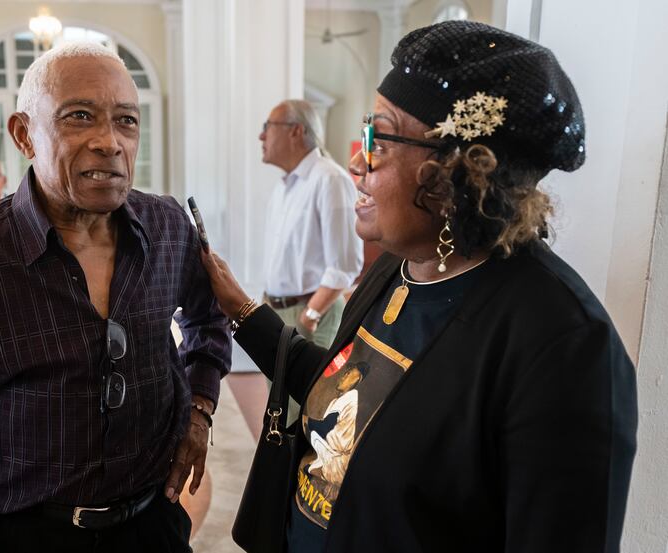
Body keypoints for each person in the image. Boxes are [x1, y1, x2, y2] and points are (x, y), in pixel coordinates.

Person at [202, 21, 637, 553]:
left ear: (456, 172)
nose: (357, 161)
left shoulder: (564, 346)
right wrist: (240, 308)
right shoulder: (401, 264)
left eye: (377, 138)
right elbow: (347, 393)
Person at [0, 42, 231, 553]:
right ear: (25, 134)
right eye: (80, 117)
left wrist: (199, 409)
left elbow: (209, 319)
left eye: (126, 121)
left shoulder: (167, 228)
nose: (109, 142)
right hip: (27, 535)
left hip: (152, 526)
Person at [259, 99, 363, 348]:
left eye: (268, 126)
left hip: (311, 314)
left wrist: (310, 316)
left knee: (307, 388)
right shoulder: (284, 186)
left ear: (296, 130)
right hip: (276, 312)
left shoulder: (330, 180)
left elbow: (345, 265)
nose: (261, 136)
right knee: (277, 388)